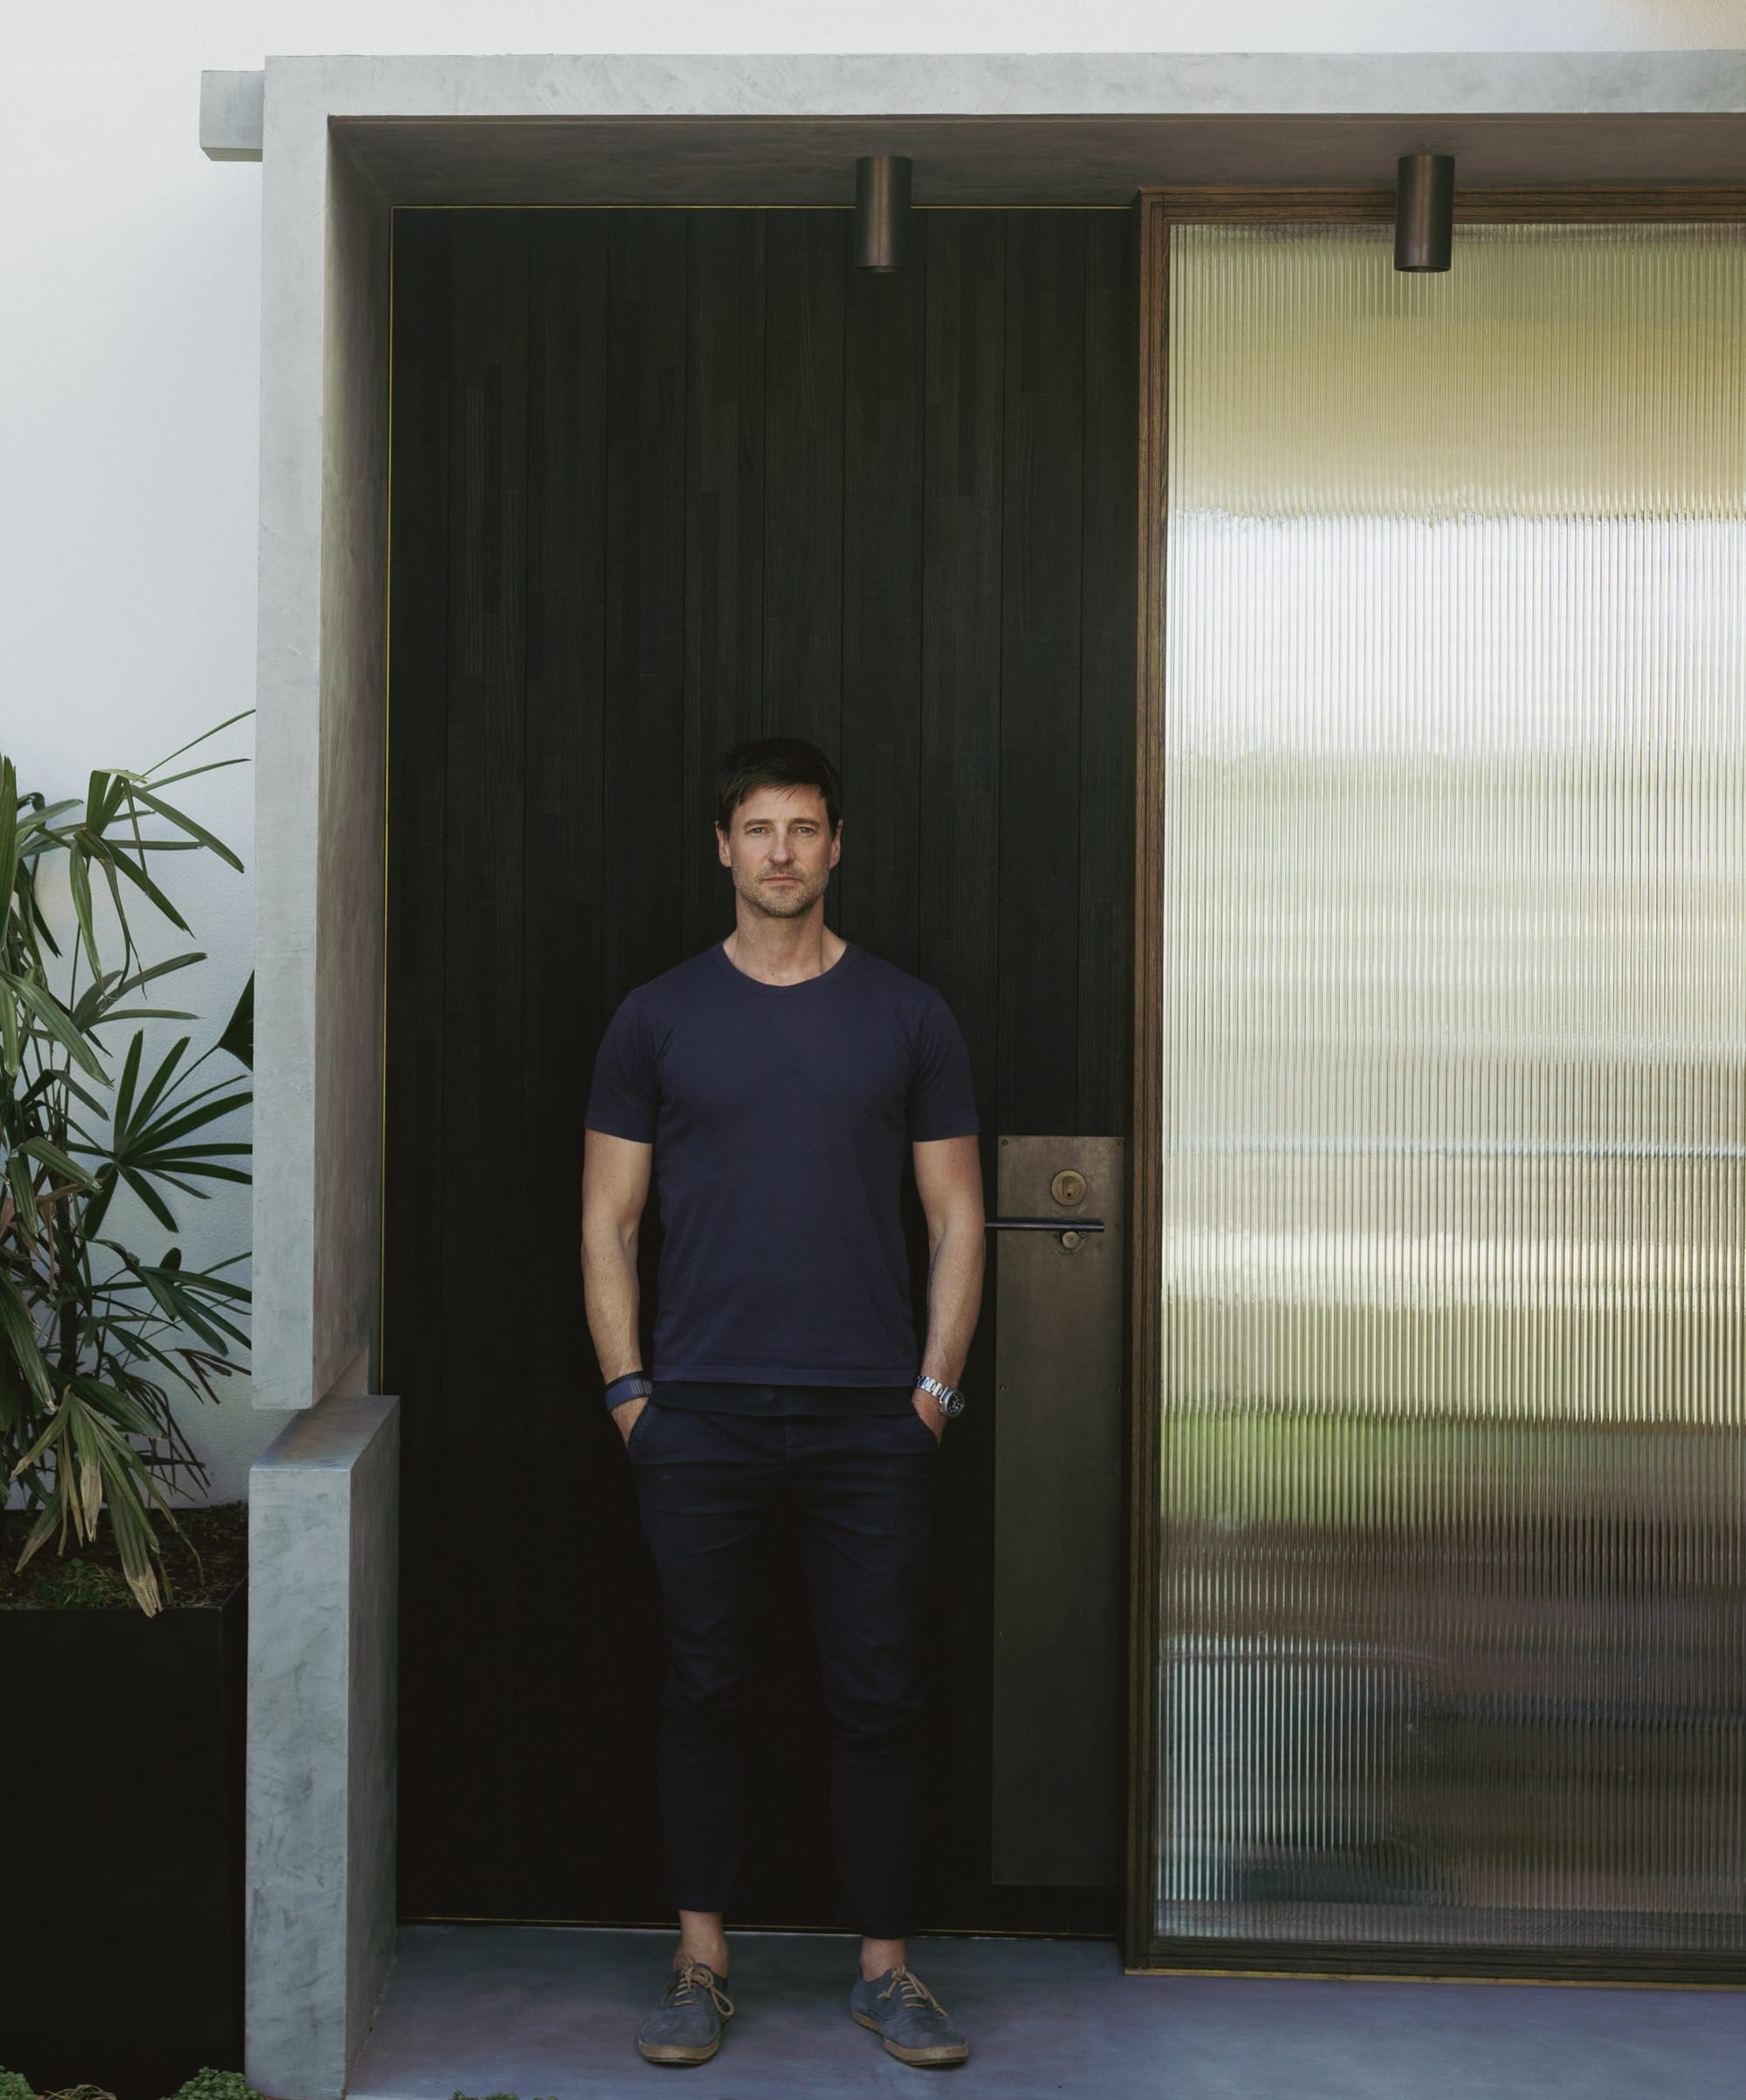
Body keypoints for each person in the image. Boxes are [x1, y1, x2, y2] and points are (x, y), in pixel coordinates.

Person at [581, 737, 985, 2070]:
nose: (780, 852)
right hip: (700, 1420)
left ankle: (887, 1972)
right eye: (758, 829)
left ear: (835, 845)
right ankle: (701, 1964)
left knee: (878, 1690)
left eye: (803, 829)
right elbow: (607, 1221)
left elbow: (959, 1217)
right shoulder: (658, 1018)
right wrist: (633, 1393)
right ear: (723, 847)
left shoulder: (908, 1017)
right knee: (706, 1685)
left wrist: (932, 1388)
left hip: (873, 1421)